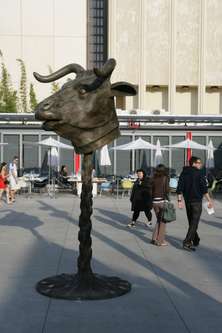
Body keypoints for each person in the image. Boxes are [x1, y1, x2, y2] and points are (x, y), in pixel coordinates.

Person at [176, 156, 213, 251]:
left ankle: (196, 239)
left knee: (191, 222)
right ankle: (187, 242)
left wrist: (179, 201)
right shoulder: (199, 173)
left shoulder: (184, 173)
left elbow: (179, 188)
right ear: (194, 163)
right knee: (194, 223)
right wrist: (209, 200)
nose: (200, 164)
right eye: (199, 162)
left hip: (188, 201)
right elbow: (204, 189)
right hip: (196, 202)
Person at [151, 164, 170, 246]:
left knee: (159, 220)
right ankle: (160, 241)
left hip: (154, 202)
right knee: (163, 221)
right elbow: (167, 189)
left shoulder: (153, 178)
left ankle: (154, 238)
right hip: (162, 201)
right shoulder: (165, 178)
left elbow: (151, 190)